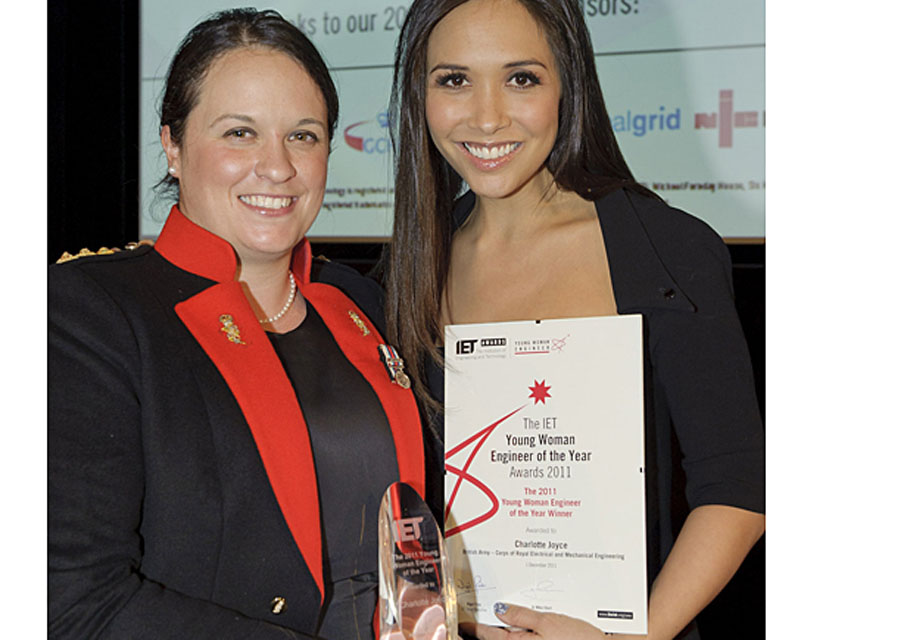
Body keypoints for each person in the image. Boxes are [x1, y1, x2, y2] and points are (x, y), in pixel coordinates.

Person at [383, 0, 765, 638]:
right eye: (453, 80)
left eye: (522, 78)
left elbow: (739, 487)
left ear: (569, 83)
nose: (486, 115)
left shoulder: (666, 251)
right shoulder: (413, 268)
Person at [48, 9, 425, 639]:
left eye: (303, 135)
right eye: (240, 133)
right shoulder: (90, 314)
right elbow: (74, 602)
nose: (277, 167)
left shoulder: (362, 303)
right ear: (172, 143)